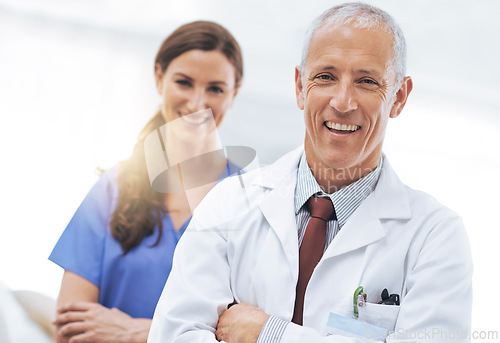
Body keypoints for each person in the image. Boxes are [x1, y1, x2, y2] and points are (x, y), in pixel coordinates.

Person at [148, 3, 472, 343]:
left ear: (398, 97)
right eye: (326, 77)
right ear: (301, 86)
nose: (343, 102)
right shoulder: (228, 204)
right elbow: (173, 336)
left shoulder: (436, 237)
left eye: (366, 81)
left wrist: (269, 333)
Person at [49, 20, 243, 343]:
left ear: (234, 94)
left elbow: (244, 332)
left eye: (215, 89)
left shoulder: (250, 200)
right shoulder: (113, 188)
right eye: (184, 82)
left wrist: (137, 333)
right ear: (159, 77)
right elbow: (69, 329)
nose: (197, 103)